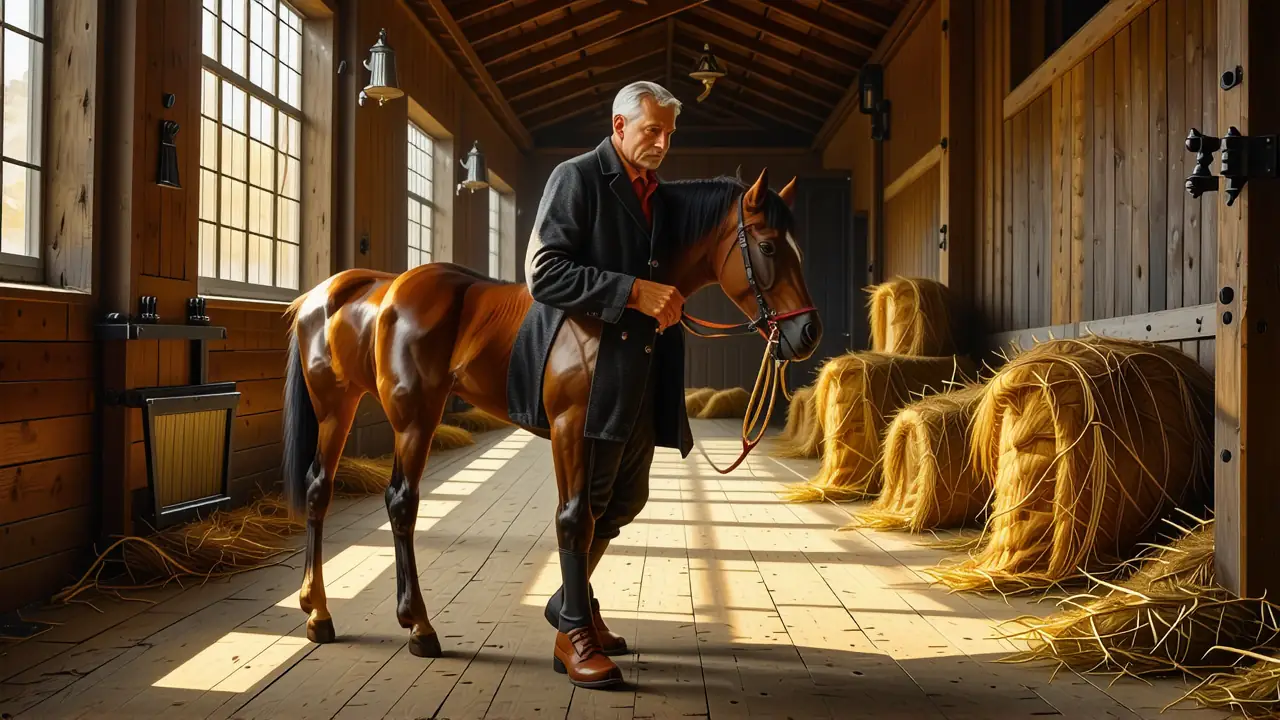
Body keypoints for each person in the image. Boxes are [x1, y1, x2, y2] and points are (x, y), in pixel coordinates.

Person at [506, 81, 693, 688]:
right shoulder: (576, 177)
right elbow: (543, 273)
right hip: (585, 370)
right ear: (619, 126)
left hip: (641, 369)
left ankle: (571, 600)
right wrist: (632, 291)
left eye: (669, 133)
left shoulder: (656, 193)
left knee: (625, 499)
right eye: (651, 130)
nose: (662, 143)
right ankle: (572, 631)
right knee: (583, 504)